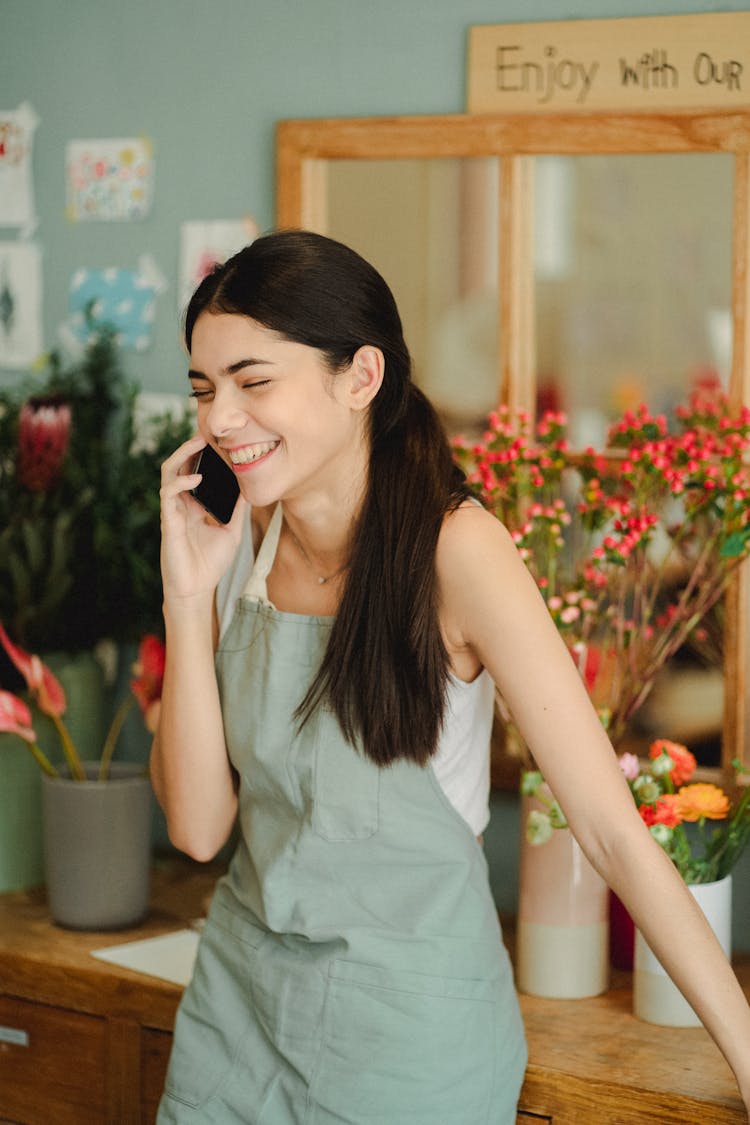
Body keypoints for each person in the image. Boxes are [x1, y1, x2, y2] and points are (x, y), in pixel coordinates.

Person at [152, 229, 750, 1124]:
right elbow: (199, 828)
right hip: (238, 1016)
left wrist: (745, 1052)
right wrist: (186, 591)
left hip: (409, 1036)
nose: (220, 420)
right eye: (205, 389)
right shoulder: (233, 541)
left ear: (360, 377)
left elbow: (609, 828)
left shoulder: (457, 550)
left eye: (254, 380)